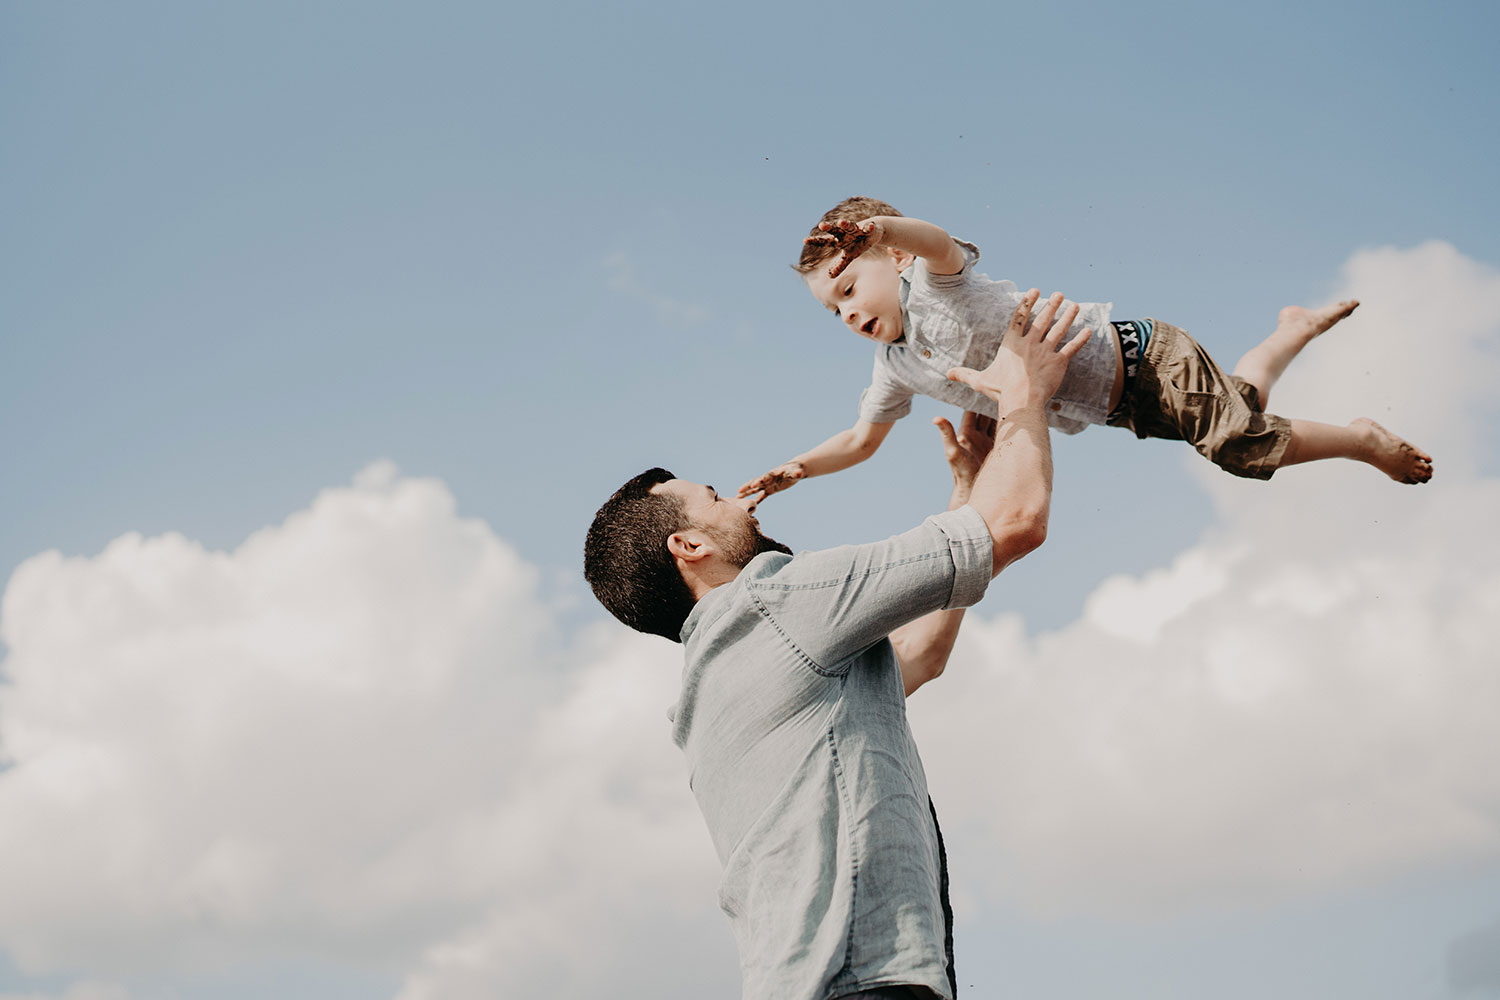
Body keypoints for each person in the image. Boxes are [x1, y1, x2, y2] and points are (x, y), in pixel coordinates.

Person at [584, 291, 1089, 1000]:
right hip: (861, 984)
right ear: (690, 545)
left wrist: (968, 485)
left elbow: (918, 656)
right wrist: (1025, 391)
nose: (740, 499)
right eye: (714, 496)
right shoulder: (771, 600)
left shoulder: (708, 692)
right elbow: (1016, 522)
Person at [737, 196, 1432, 503]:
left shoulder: (935, 285)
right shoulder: (897, 365)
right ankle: (1292, 330)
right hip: (1123, 408)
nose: (849, 311)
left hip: (1147, 357)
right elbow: (862, 441)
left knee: (1238, 445)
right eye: (835, 312)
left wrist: (884, 223)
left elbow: (940, 242)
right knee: (1243, 407)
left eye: (851, 288)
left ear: (889, 256)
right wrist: (798, 467)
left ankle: (1363, 439)